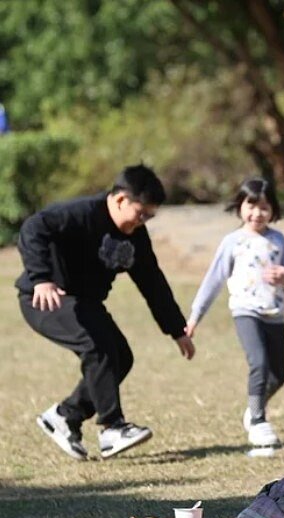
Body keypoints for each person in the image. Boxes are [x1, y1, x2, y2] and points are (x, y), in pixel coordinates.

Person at [18, 164, 195, 461]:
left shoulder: (136, 236)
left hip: (85, 303)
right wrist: (42, 279)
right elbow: (34, 227)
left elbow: (152, 282)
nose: (143, 221)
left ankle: (65, 416)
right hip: (47, 297)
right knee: (97, 347)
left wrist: (177, 329)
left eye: (149, 216)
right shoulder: (82, 213)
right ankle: (112, 427)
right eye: (141, 213)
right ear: (120, 199)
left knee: (121, 358)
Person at [185, 178, 284, 455]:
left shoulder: (277, 240)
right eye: (251, 205)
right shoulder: (232, 242)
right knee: (258, 363)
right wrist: (194, 317)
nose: (257, 213)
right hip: (245, 311)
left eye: (264, 207)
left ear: (273, 210)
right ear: (240, 206)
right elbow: (212, 281)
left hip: (275, 314)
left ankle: (253, 406)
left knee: (278, 374)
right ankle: (258, 423)